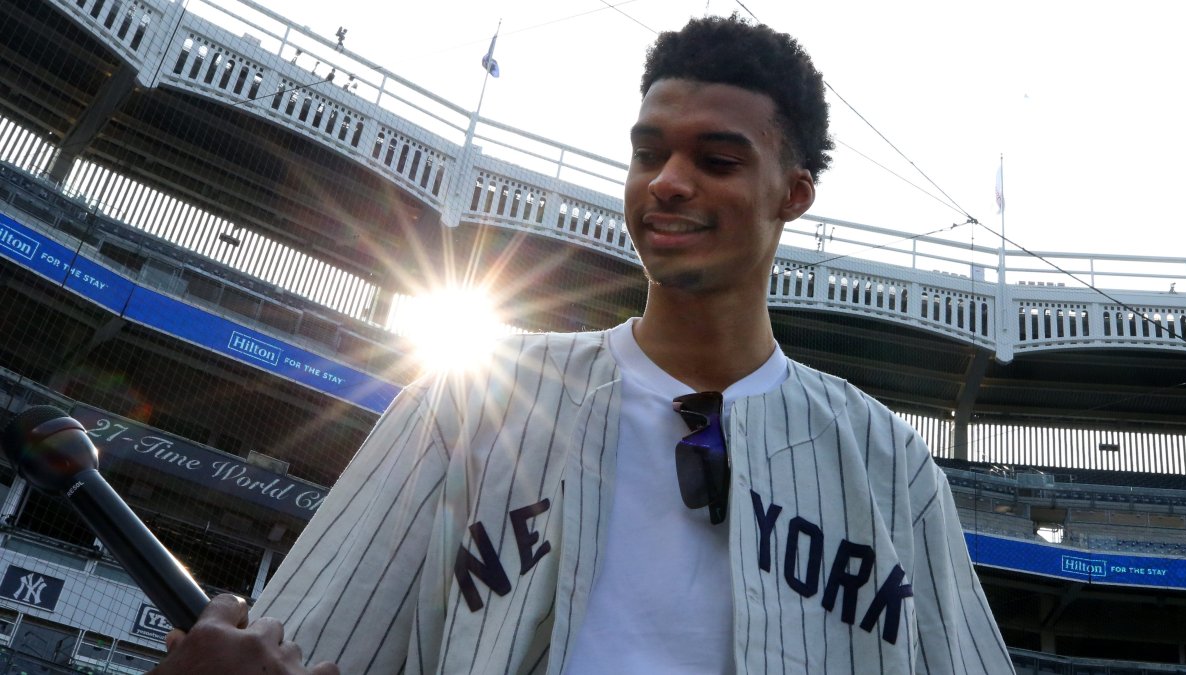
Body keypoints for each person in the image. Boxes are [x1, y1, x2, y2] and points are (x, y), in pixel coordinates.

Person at [153, 15, 1014, 674]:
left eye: (716, 160)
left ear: (793, 194)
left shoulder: (889, 463)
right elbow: (307, 644)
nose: (668, 182)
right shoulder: (472, 399)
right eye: (649, 153)